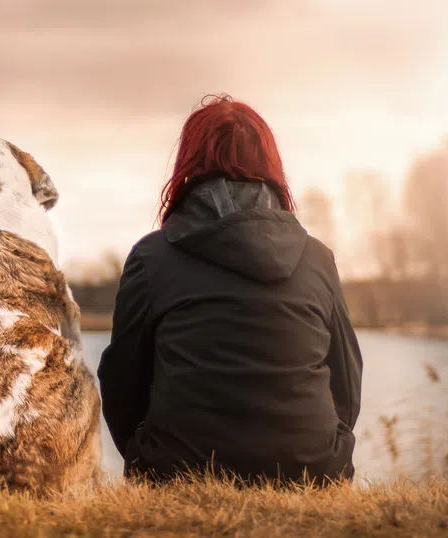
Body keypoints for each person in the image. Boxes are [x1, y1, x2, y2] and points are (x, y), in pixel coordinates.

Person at [97, 94, 363, 487]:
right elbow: (347, 382)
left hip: (178, 472)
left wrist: (145, 455)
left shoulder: (152, 258)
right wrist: (324, 449)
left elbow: (122, 384)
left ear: (188, 164)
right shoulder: (317, 259)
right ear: (271, 165)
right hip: (313, 471)